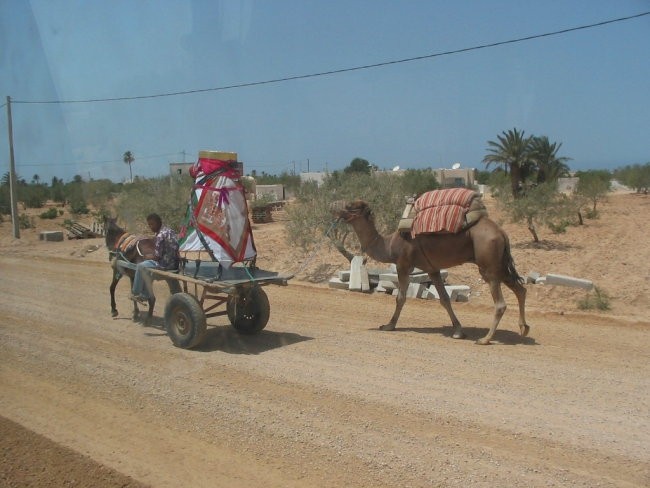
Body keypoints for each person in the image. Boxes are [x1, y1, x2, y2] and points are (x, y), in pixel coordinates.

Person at [131, 213, 180, 302]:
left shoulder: (160, 235)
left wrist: (148, 256)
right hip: (175, 263)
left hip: (164, 264)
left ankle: (136, 293)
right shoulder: (170, 231)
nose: (150, 227)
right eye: (149, 224)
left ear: (158, 223)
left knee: (141, 266)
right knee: (148, 269)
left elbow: (157, 257)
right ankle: (176, 293)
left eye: (152, 224)